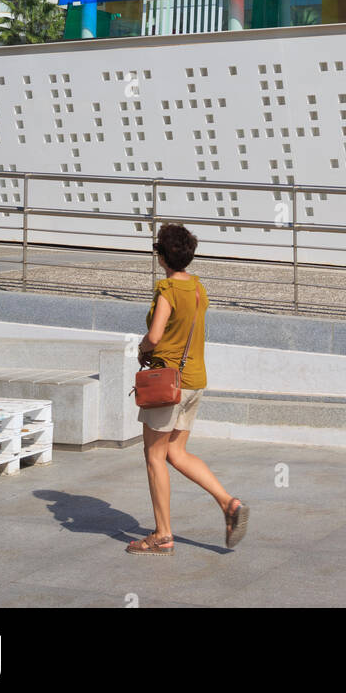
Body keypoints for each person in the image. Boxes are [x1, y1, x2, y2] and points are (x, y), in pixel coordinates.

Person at [128, 222, 249, 555]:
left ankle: (162, 535)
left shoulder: (167, 289)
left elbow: (155, 336)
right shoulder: (198, 288)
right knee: (176, 452)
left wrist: (142, 349)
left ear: (163, 256)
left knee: (154, 456)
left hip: (166, 384)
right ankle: (228, 502)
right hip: (194, 381)